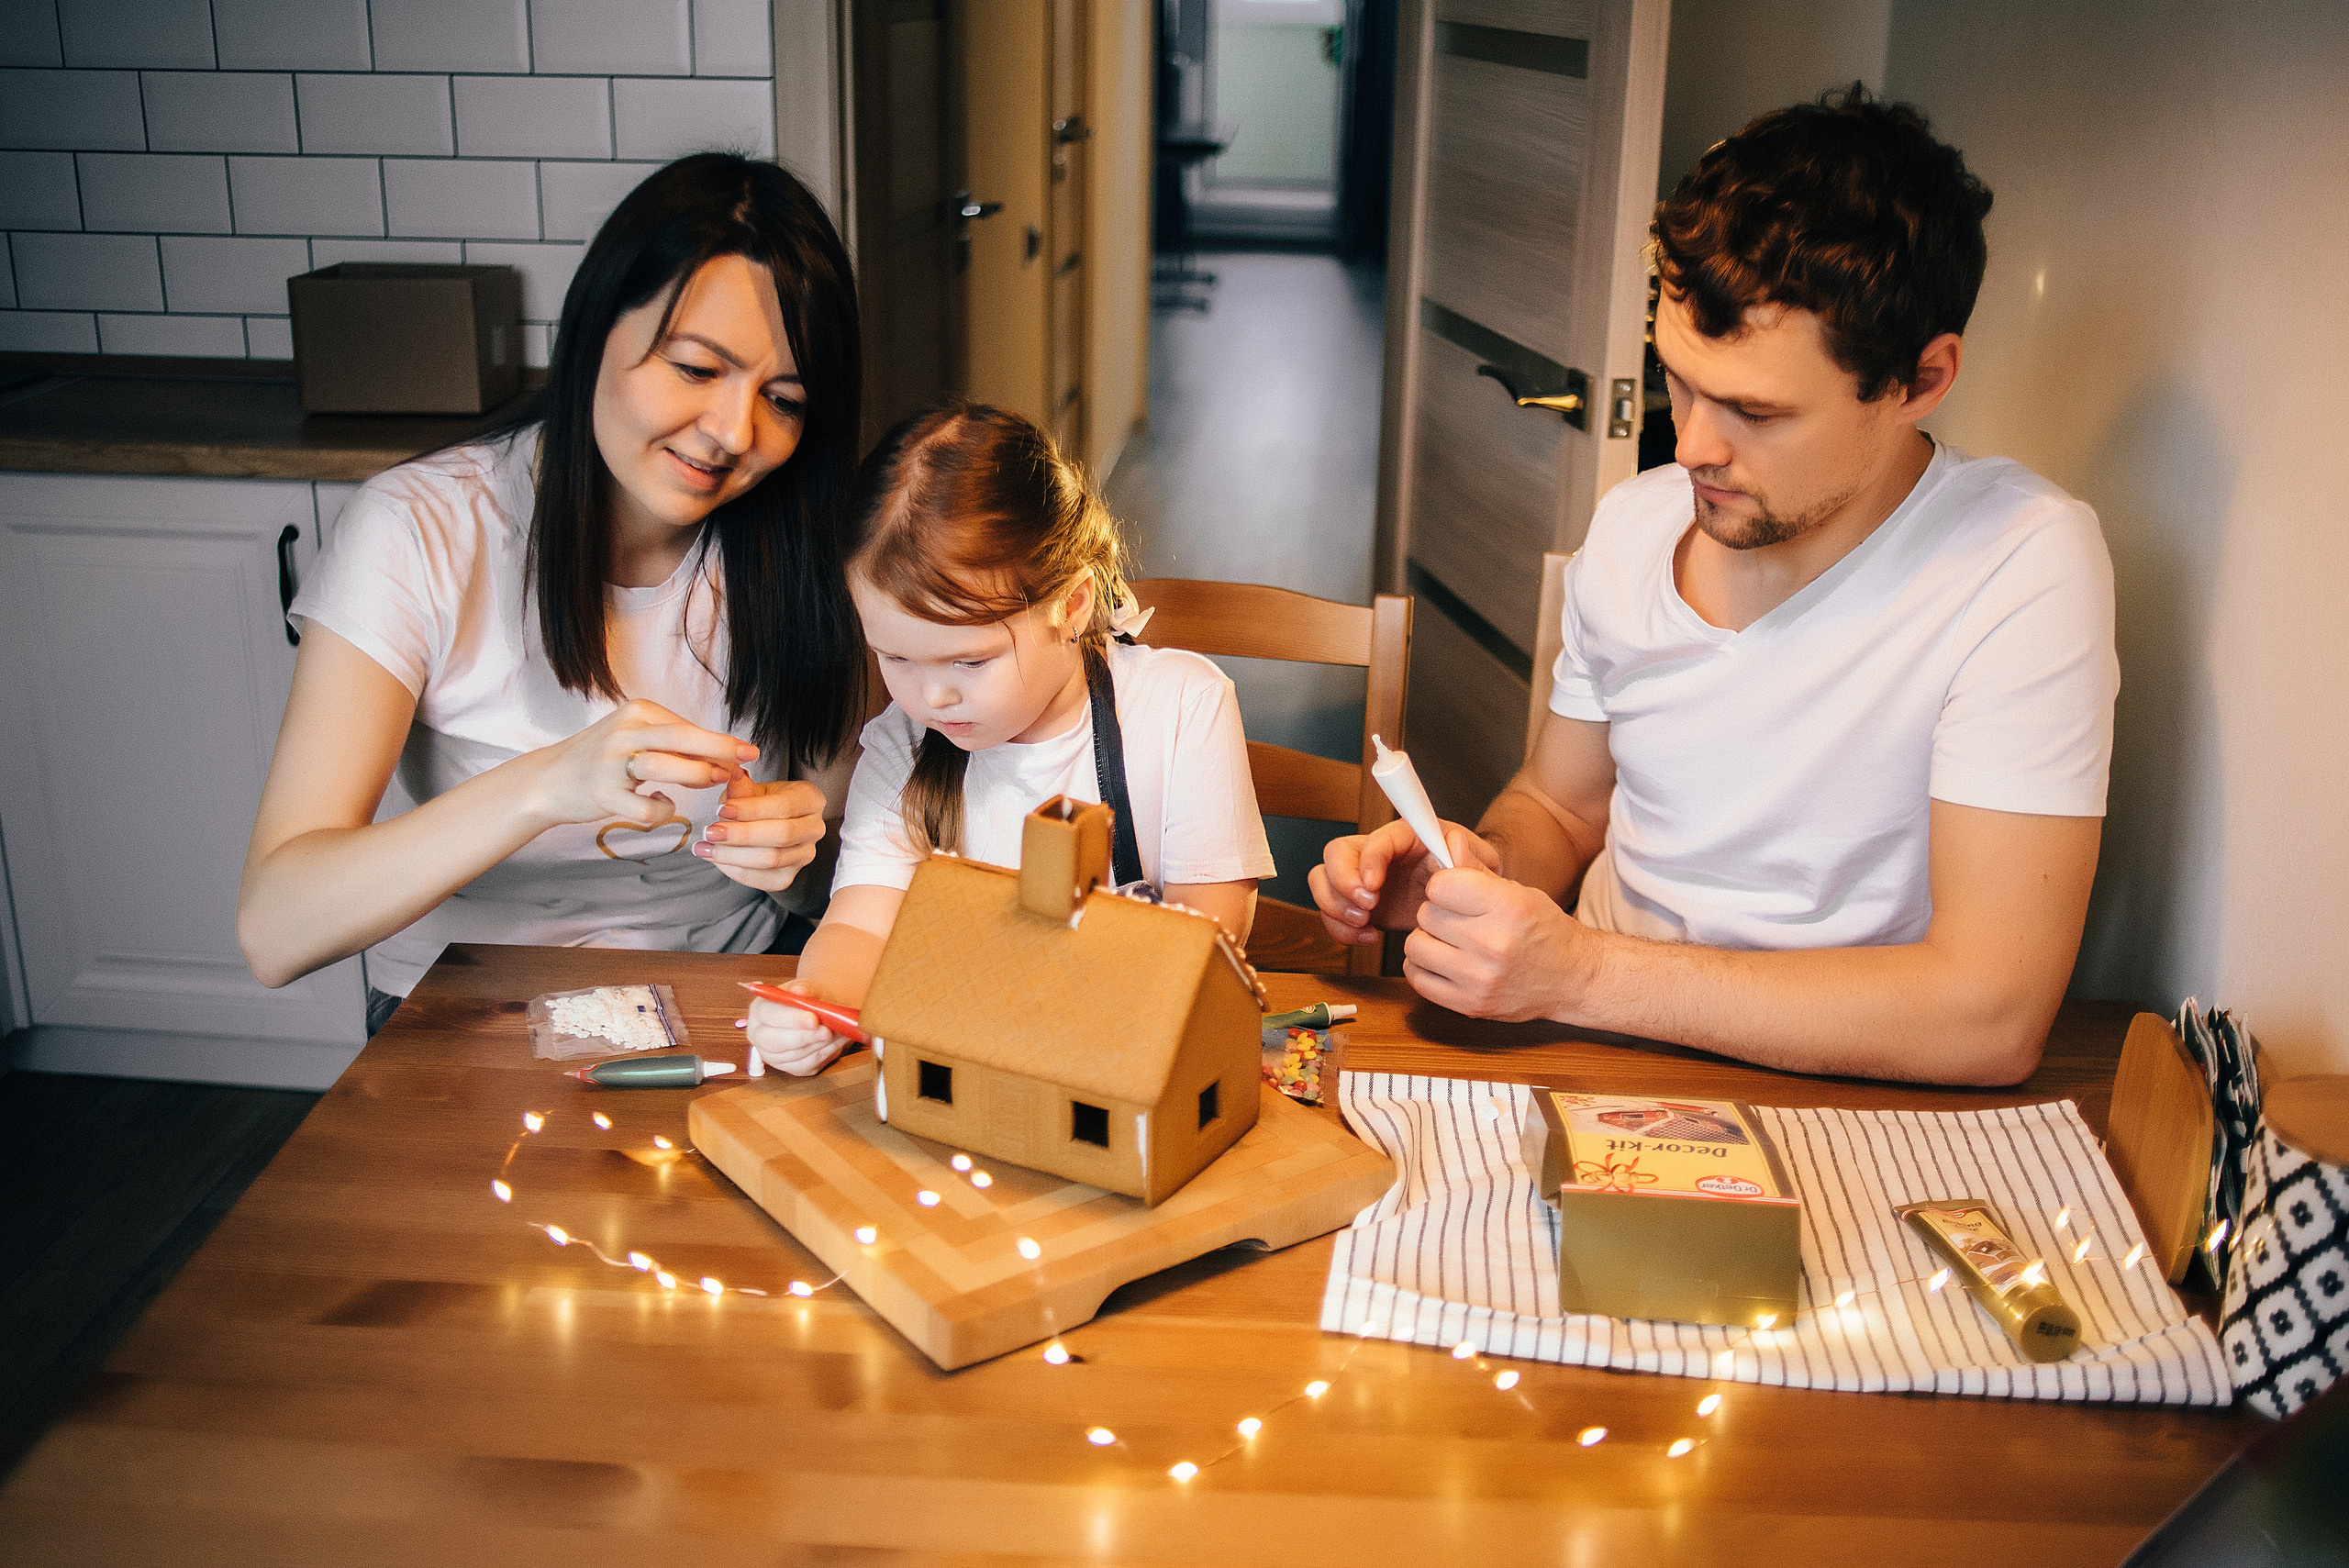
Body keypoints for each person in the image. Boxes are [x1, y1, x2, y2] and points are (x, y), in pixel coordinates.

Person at [1310, 86, 2119, 1087]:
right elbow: (1560, 811)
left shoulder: (2018, 565)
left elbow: (1987, 1016)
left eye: (1754, 411)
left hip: (1831, 1089)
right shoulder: (1635, 525)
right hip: (1582, 1048)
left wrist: (1579, 973)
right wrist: (1474, 872)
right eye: (1678, 380)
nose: (1690, 446)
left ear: (1920, 379)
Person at [238, 154, 867, 1031]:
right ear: (594, 329)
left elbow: (846, 888)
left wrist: (795, 863)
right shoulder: (420, 529)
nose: (733, 432)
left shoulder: (816, 546)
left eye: (785, 398)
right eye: (694, 369)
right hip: (468, 1007)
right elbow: (276, 926)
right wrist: (542, 787)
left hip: (733, 996)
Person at [744, 402, 1275, 1074]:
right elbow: (859, 927)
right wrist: (813, 1003)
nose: (931, 697)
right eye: (897, 658)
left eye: (970, 661)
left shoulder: (1181, 709)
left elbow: (1213, 931)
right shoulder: (902, 747)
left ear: (1072, 605)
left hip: (1128, 1055)